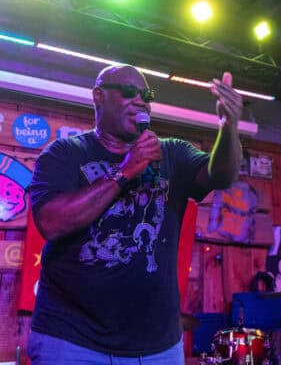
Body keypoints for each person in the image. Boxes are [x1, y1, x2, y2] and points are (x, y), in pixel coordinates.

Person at [27, 64, 242, 364]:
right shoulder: (65, 153)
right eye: (129, 92)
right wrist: (126, 170)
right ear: (98, 96)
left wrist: (229, 127)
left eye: (147, 95)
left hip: (157, 347)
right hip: (73, 341)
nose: (141, 100)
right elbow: (51, 222)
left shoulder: (173, 154)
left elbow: (222, 176)